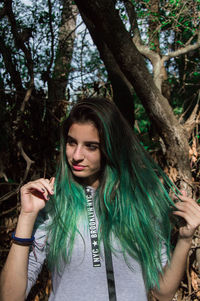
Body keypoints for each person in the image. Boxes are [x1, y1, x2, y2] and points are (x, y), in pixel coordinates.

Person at [0, 97, 200, 301]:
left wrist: (185, 238)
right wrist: (27, 216)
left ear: (111, 147)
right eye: (71, 142)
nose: (76, 155)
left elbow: (162, 292)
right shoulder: (53, 201)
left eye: (91, 146)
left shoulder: (143, 200)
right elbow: (10, 297)